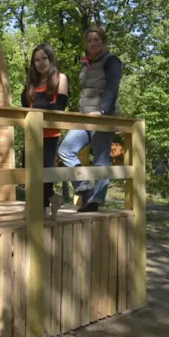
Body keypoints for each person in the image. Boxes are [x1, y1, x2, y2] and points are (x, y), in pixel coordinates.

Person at [58, 26, 122, 212]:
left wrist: (102, 112)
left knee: (101, 161)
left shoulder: (112, 61)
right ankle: (83, 186)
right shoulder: (85, 64)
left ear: (103, 42)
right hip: (85, 117)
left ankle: (95, 201)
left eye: (96, 39)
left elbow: (112, 89)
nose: (93, 43)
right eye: (89, 40)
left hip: (102, 117)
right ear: (86, 44)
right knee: (66, 149)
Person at [21, 43, 69, 219]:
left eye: (44, 58)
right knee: (27, 171)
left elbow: (59, 106)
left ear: (51, 58)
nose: (40, 63)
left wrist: (38, 109)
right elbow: (25, 107)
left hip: (49, 134)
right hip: (32, 133)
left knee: (44, 173)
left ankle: (42, 205)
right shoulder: (31, 84)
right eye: (36, 60)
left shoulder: (60, 78)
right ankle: (45, 203)